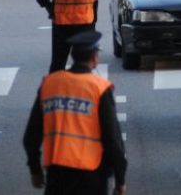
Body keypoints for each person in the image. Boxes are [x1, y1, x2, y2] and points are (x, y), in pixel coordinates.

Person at [23, 31, 127, 195]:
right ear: (94, 58)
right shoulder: (98, 88)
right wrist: (120, 181)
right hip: (91, 174)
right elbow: (113, 140)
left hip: (57, 173)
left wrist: (35, 169)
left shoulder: (49, 84)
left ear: (73, 56)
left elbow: (31, 135)